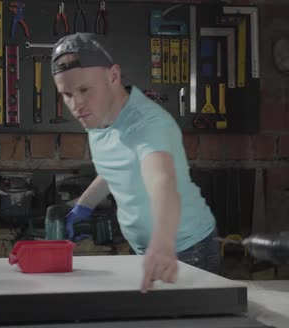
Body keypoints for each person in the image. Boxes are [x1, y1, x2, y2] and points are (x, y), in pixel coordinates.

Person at [50, 32, 219, 293]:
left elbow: (161, 180)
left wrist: (162, 244)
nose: (76, 104)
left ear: (113, 76)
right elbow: (117, 165)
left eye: (84, 90)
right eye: (67, 94)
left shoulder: (148, 125)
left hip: (184, 250)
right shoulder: (99, 115)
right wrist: (82, 207)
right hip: (146, 249)